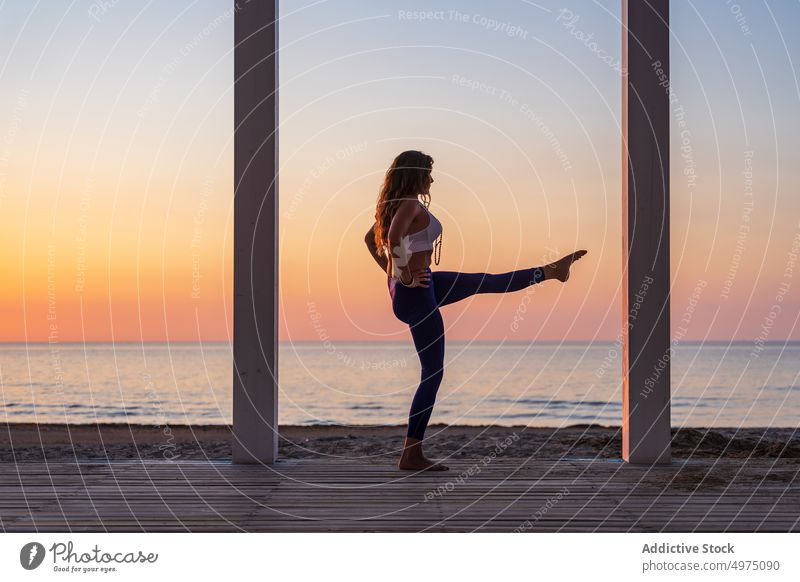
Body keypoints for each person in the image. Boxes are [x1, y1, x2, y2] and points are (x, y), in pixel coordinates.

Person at [364, 150, 588, 471]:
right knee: (433, 373)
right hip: (417, 293)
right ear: (415, 174)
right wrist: (406, 276)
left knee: (488, 281)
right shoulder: (410, 204)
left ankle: (552, 270)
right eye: (428, 172)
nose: (432, 178)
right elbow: (395, 238)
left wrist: (395, 277)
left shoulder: (394, 207)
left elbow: (370, 241)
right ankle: (411, 454)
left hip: (418, 289)